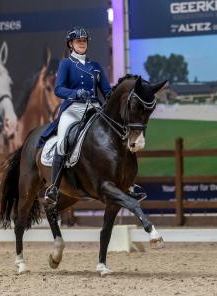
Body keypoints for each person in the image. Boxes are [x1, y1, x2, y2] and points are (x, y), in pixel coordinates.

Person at [44, 26, 146, 205]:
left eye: (84, 41)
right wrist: (76, 94)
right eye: (78, 41)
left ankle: (129, 184)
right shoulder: (66, 64)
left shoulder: (95, 66)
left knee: (118, 136)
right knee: (63, 140)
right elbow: (59, 89)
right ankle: (53, 187)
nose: (82, 44)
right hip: (73, 109)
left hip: (94, 108)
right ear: (71, 44)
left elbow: (107, 91)